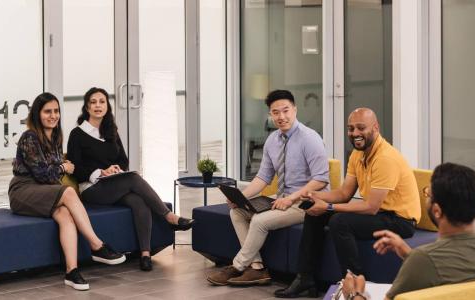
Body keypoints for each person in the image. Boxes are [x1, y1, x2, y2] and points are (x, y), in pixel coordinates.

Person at [275, 108, 421, 298]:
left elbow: (370, 207)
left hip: (400, 219)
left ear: (375, 128)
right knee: (314, 213)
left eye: (361, 128)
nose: (355, 133)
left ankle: (355, 283)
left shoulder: (386, 158)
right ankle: (306, 278)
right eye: (351, 129)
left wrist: (328, 207)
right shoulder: (357, 155)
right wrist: (316, 196)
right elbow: (344, 193)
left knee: (339, 221)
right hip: (380, 213)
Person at [207, 90, 329, 286]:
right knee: (237, 212)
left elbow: (321, 180)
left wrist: (291, 199)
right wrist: (241, 197)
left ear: (295, 110)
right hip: (281, 197)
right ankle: (257, 268)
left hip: (306, 202)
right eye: (276, 112)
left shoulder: (310, 138)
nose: (281, 117)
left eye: (286, 110)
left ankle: (237, 266)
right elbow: (263, 178)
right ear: (270, 115)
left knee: (259, 221)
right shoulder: (272, 141)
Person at [66, 87, 194, 272]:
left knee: (138, 201)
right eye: (93, 102)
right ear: (86, 107)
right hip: (92, 189)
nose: (98, 106)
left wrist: (117, 169)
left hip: (114, 185)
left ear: (107, 107)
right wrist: (101, 172)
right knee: (133, 178)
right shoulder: (77, 134)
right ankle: (169, 217)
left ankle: (145, 254)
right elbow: (75, 168)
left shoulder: (111, 131)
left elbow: (123, 160)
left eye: (102, 102)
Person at [9, 92, 126, 291]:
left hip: (45, 190)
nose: (53, 115)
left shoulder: (55, 136)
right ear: (37, 114)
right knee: (69, 193)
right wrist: (64, 168)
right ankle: (96, 245)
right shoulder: (30, 137)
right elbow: (42, 174)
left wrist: (60, 168)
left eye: (56, 111)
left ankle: (71, 272)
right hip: (23, 190)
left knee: (65, 216)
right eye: (47, 112)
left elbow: (50, 176)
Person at [340, 163, 475, 300]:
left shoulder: (423, 261)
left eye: (428, 193)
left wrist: (354, 295)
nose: (426, 196)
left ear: (437, 211)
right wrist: (409, 254)